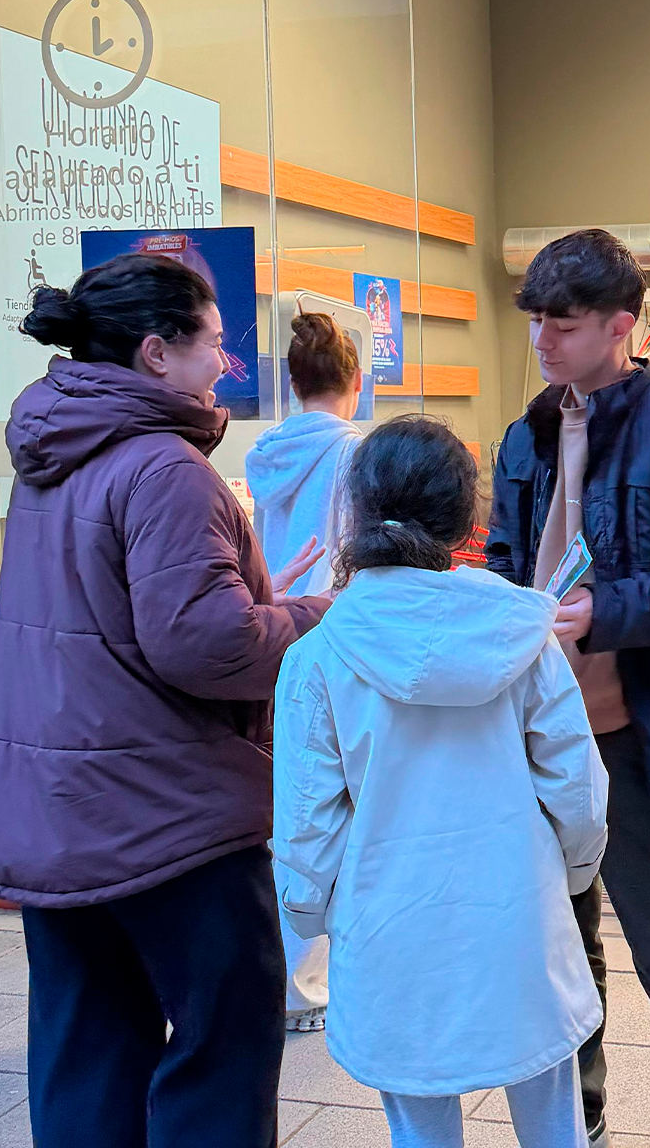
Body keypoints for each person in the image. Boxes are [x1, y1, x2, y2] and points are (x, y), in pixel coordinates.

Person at [0, 254, 332, 1148]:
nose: (225, 363)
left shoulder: (54, 452)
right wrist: (318, 614)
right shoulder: (167, 468)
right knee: (222, 1046)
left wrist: (264, 596)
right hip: (168, 817)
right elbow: (208, 646)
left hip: (58, 812)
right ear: (157, 354)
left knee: (88, 1048)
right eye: (214, 343)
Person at [485, 229, 650, 1148]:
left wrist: (602, 611)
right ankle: (581, 1116)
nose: (542, 341)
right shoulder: (527, 429)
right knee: (563, 946)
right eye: (536, 322)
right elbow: (503, 555)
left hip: (634, 727)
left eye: (561, 324)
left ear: (619, 327)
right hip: (538, 728)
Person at [272, 415, 608, 1148]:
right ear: (465, 518)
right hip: (520, 912)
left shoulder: (318, 654)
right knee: (553, 1116)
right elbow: (577, 788)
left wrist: (311, 914)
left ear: (356, 512)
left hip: (390, 921)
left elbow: (306, 822)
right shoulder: (521, 637)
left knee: (420, 1126)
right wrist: (574, 870)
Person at [245, 311, 364, 1033]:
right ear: (353, 381)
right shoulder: (355, 452)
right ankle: (307, 981)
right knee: (329, 805)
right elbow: (353, 549)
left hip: (272, 624)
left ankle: (281, 970)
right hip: (330, 629)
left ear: (293, 384)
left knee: (287, 801)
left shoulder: (265, 452)